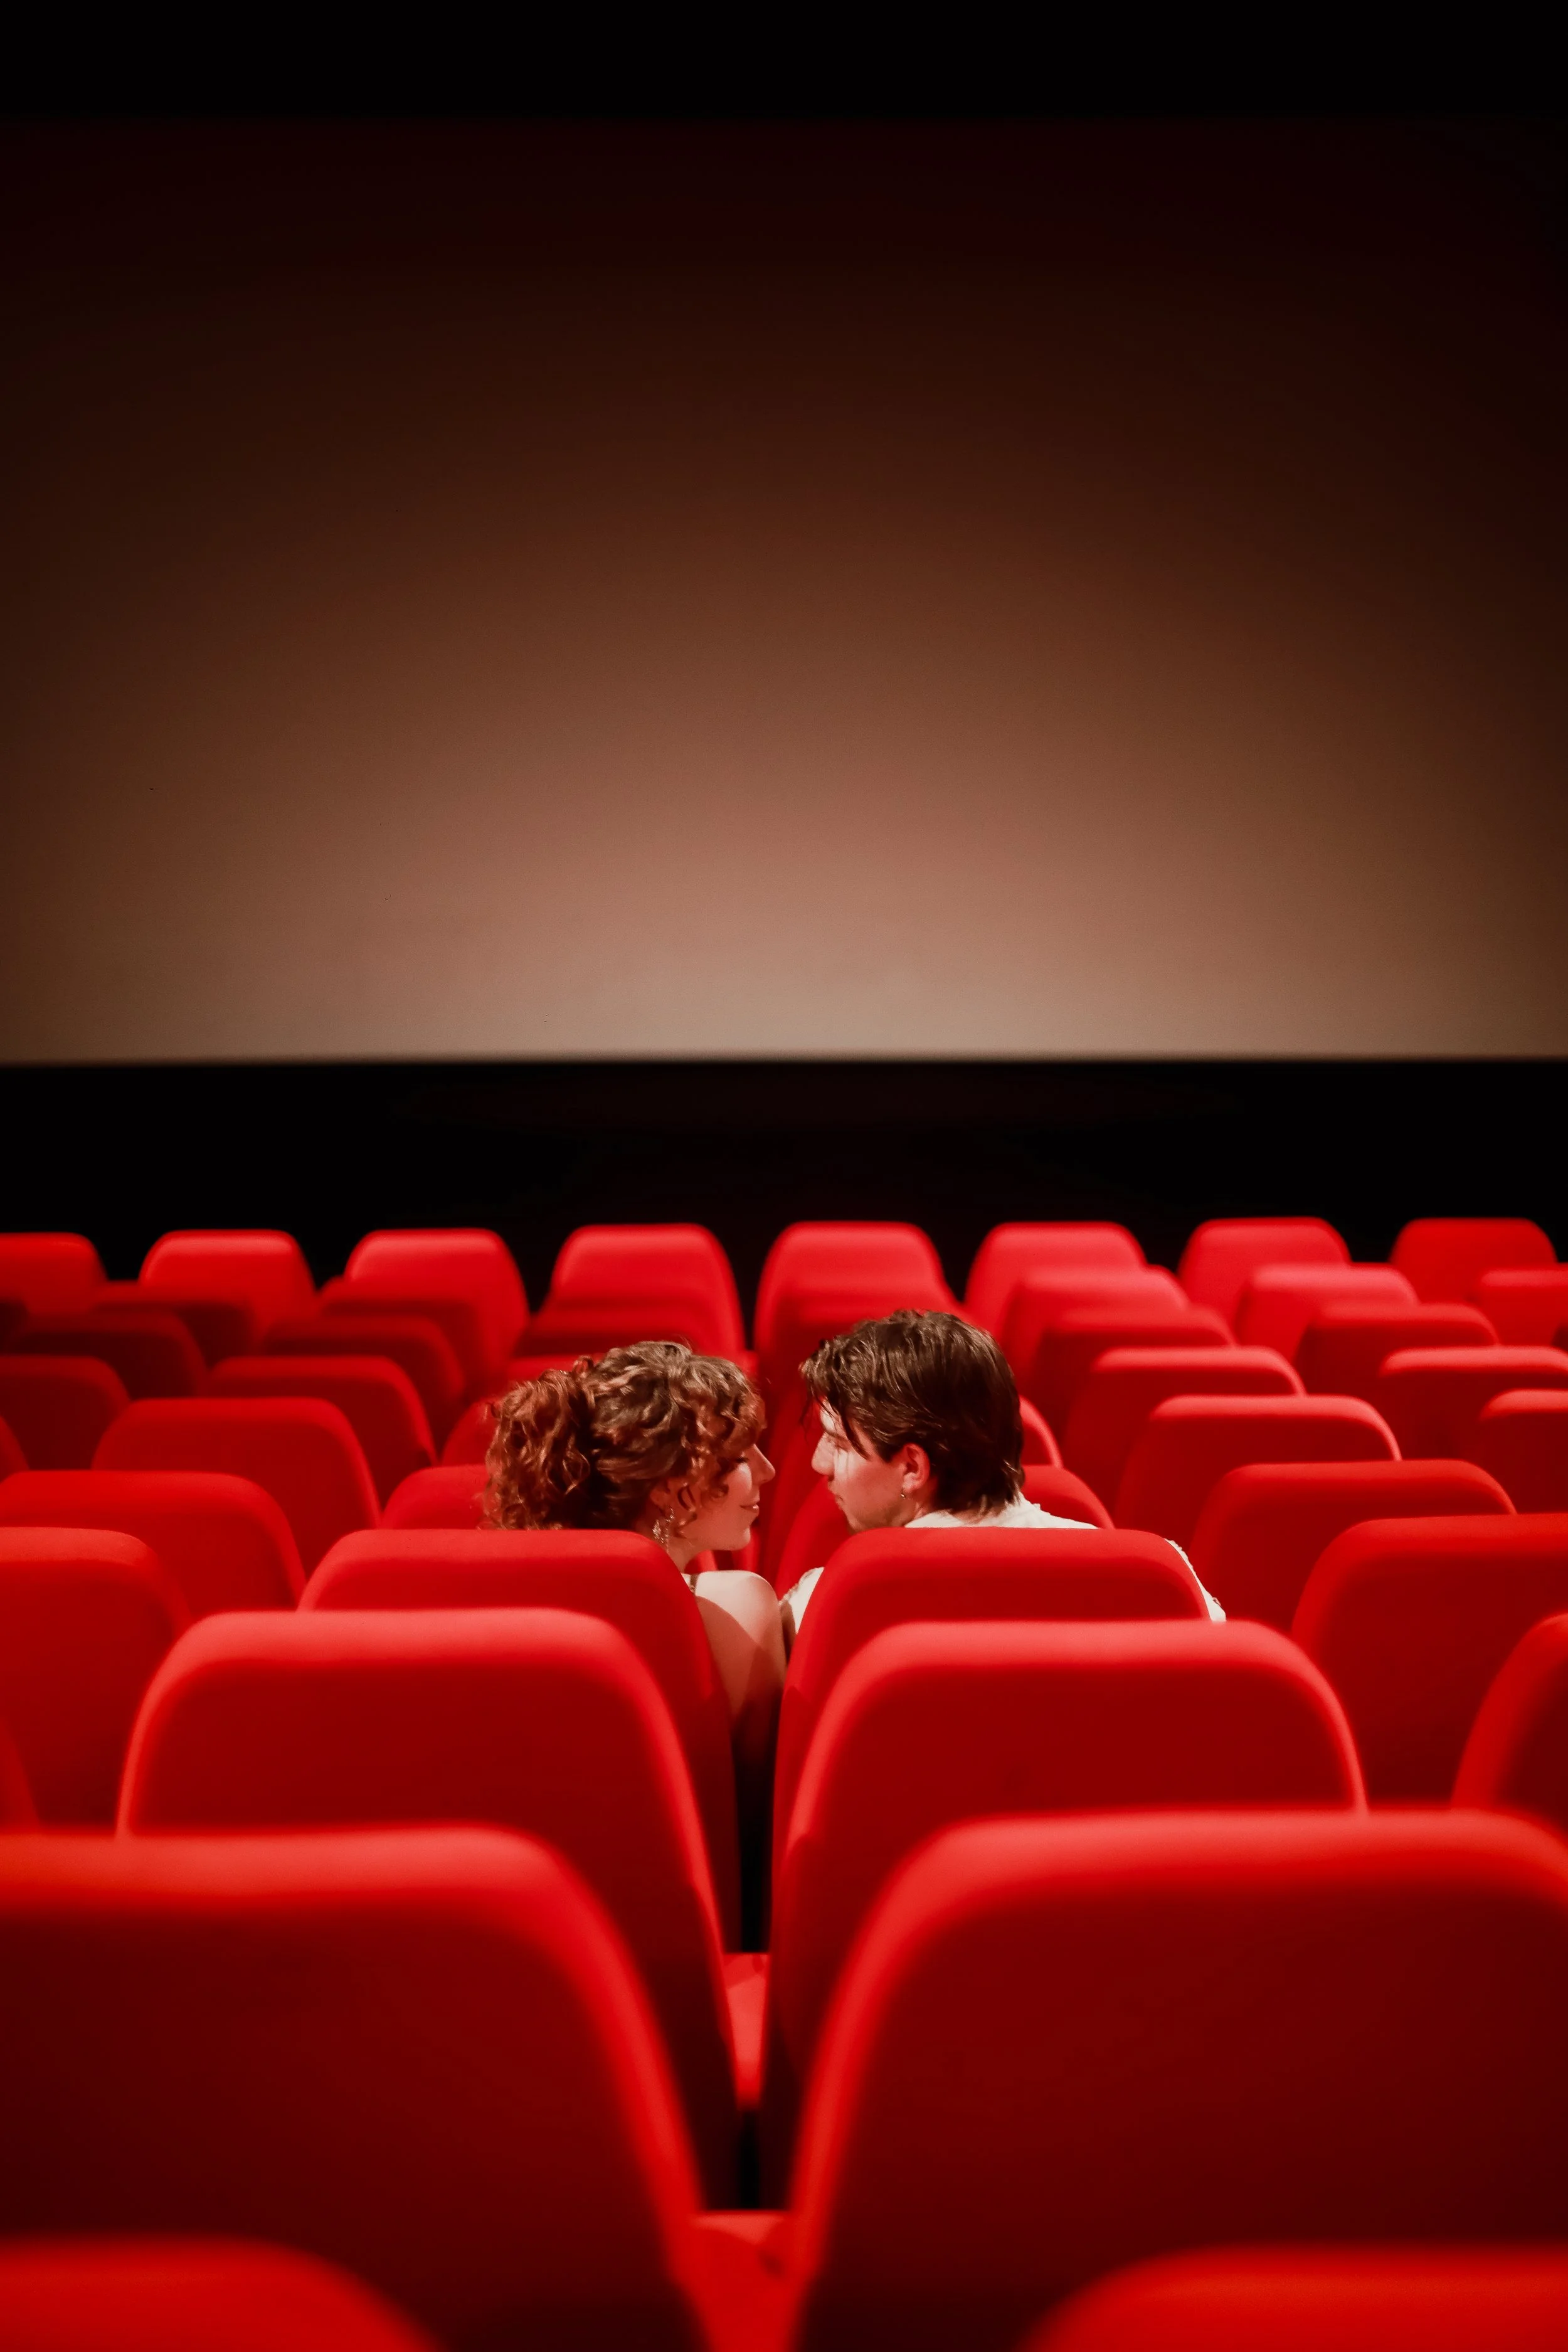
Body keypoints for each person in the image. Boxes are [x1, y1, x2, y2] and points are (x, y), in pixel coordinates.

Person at [780, 1308, 1223, 1640]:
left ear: (913, 1467)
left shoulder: (834, 1604)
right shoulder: (1160, 1577)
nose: (819, 1464)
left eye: (837, 1443)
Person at [484, 1338, 787, 1777]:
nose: (768, 1471)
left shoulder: (513, 1605)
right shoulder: (737, 1611)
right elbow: (751, 1819)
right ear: (666, 1486)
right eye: (739, 1456)